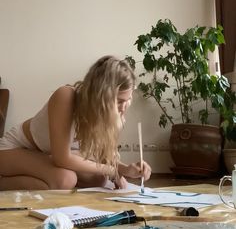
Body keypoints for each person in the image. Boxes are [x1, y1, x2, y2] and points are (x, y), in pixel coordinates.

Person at [0, 55, 152, 190]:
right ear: (102, 96)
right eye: (119, 101)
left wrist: (127, 170)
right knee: (65, 179)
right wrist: (113, 171)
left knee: (97, 180)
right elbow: (62, 158)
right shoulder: (65, 96)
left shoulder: (110, 115)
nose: (124, 106)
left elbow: (103, 159)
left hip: (44, 155)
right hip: (13, 150)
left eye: (128, 99)